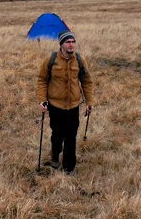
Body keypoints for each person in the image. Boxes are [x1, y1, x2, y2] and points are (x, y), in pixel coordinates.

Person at [37, 30, 95, 175]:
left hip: (73, 106)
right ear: (61, 44)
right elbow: (42, 80)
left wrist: (90, 101)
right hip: (55, 105)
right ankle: (55, 155)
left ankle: (69, 167)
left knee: (71, 137)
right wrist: (42, 100)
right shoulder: (50, 60)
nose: (71, 45)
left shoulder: (80, 60)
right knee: (57, 135)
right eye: (68, 42)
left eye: (73, 42)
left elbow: (87, 82)